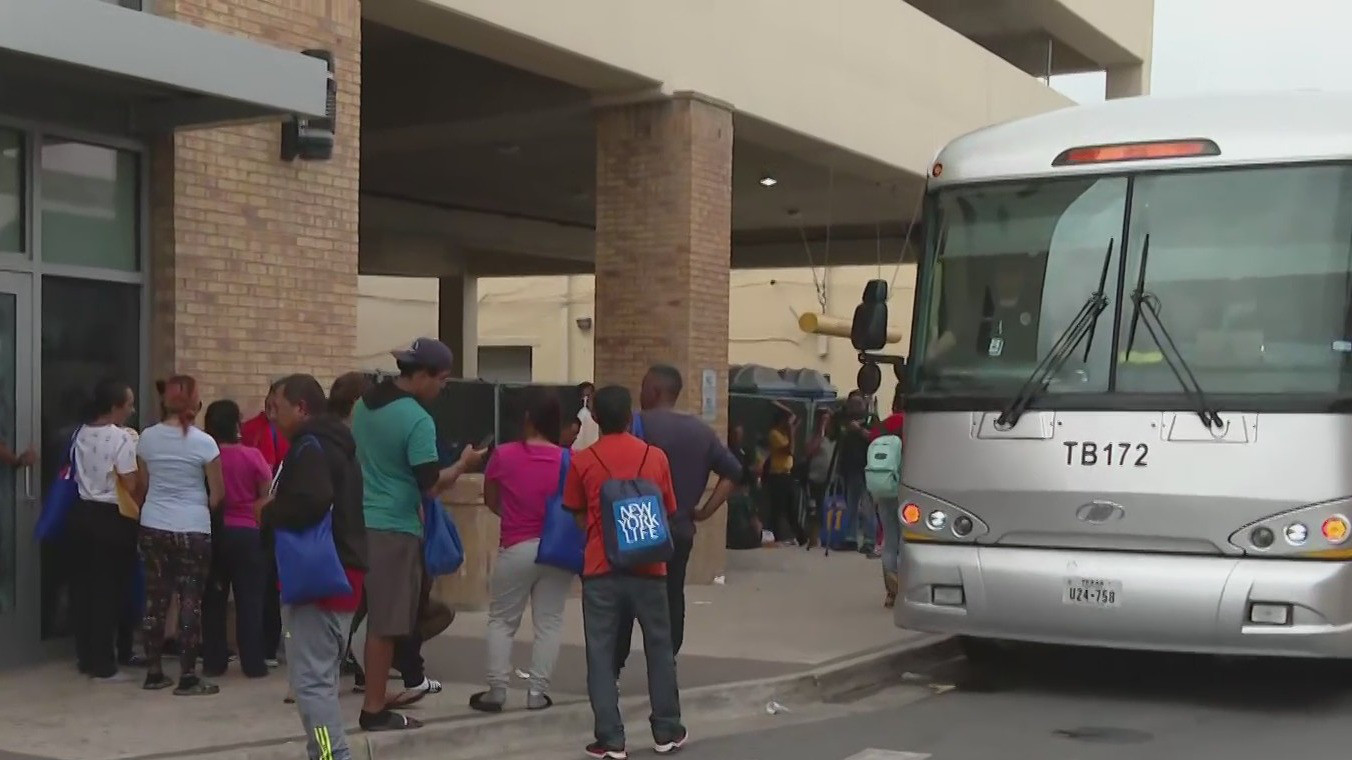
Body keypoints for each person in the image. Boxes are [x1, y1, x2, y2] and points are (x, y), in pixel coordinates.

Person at [353, 338, 484, 731]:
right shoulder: (416, 420)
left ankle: (375, 692)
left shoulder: (363, 406)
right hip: (395, 527)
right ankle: (374, 709)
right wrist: (463, 464)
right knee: (387, 623)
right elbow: (430, 484)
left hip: (364, 520)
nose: (443, 387)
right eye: (442, 379)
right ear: (422, 375)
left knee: (378, 617)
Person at [564, 385, 687, 758]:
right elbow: (668, 508)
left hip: (602, 568)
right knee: (660, 648)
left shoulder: (583, 461)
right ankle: (666, 730)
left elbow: (577, 511)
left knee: (601, 652)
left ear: (596, 418)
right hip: (650, 567)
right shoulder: (655, 457)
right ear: (631, 416)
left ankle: (611, 738)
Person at [262, 374, 367, 760]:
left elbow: (311, 500)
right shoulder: (337, 445)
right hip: (343, 575)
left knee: (311, 684)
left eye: (278, 406)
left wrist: (269, 511)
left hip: (320, 579)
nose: (272, 416)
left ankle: (328, 754)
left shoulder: (309, 446)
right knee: (319, 680)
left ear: (302, 408)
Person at [615, 364, 741, 679]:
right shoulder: (701, 431)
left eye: (643, 386)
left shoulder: (634, 425)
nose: (639, 393)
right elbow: (733, 473)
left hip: (638, 523)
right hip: (680, 527)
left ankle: (615, 664)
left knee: (627, 596)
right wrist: (705, 510)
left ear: (655, 390)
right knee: (672, 594)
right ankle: (666, 660)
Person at [470, 387, 573, 713]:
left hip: (516, 547)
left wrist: (513, 516)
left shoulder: (504, 455)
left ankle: (497, 690)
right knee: (550, 622)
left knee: (502, 620)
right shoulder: (569, 460)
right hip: (558, 551)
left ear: (527, 419)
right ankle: (537, 693)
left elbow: (491, 499)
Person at [136, 375, 224, 694]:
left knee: (155, 600)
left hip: (154, 524)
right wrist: (197, 507)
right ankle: (188, 676)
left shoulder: (146, 439)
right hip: (193, 527)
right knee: (190, 601)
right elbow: (217, 493)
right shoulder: (205, 443)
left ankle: (154, 672)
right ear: (195, 403)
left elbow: (142, 487)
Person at [68, 379, 141, 682]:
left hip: (82, 514)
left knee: (84, 589)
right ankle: (104, 664)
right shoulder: (121, 438)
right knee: (109, 592)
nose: (132, 410)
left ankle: (86, 657)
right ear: (115, 407)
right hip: (113, 516)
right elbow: (131, 482)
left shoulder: (79, 433)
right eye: (128, 404)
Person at [201, 400, 274, 678]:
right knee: (250, 601)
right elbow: (266, 492)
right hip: (248, 533)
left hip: (215, 531)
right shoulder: (252, 456)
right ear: (236, 424)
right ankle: (253, 663)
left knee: (214, 600)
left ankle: (213, 661)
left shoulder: (206, 457)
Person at [242, 378, 289, 669]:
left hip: (278, 512)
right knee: (261, 584)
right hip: (253, 512)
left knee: (274, 584)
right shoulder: (252, 429)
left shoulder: (290, 433)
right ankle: (263, 645)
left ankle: (273, 643)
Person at [870, 384, 906, 608]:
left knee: (889, 540)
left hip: (883, 487)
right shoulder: (912, 424)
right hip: (906, 488)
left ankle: (890, 593)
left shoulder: (883, 426)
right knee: (905, 540)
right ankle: (902, 588)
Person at [835, 395, 876, 555]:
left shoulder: (871, 421)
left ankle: (869, 540)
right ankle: (850, 538)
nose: (853, 408)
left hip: (867, 467)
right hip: (851, 469)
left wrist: (858, 430)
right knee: (851, 506)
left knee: (867, 507)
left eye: (856, 404)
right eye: (851, 405)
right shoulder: (845, 423)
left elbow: (874, 438)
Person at [763, 403, 804, 546]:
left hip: (787, 474)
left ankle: (801, 536)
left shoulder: (785, 434)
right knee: (778, 509)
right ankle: (777, 536)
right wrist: (792, 431)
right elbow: (789, 450)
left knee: (791, 508)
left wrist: (786, 411)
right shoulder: (774, 434)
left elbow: (794, 418)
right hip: (777, 475)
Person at [802, 408, 837, 548]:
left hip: (830, 479)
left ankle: (826, 536)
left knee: (826, 509)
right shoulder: (815, 437)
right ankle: (812, 538)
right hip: (814, 478)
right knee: (813, 509)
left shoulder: (834, 437)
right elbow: (809, 451)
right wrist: (821, 429)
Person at [572, 381, 600, 451]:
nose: (586, 399)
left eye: (589, 396)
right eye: (584, 396)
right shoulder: (578, 413)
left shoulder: (597, 414)